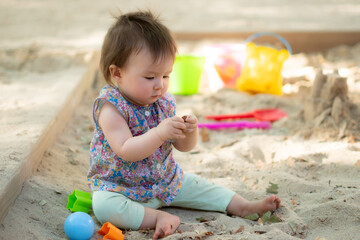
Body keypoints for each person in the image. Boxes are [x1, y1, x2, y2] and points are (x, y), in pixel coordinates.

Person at [87, 10, 281, 240]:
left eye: (166, 75)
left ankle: (243, 206)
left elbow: (183, 147)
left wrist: (189, 132)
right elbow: (126, 149)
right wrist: (159, 133)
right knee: (103, 207)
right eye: (150, 77)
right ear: (117, 73)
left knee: (201, 186)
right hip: (120, 188)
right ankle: (157, 217)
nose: (159, 85)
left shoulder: (163, 101)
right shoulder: (111, 107)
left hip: (165, 181)